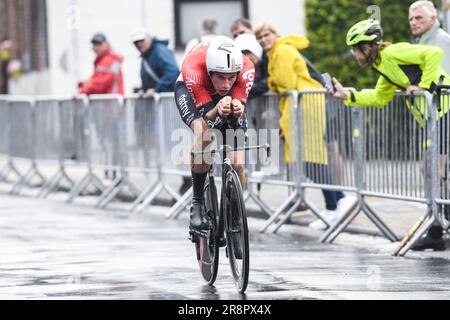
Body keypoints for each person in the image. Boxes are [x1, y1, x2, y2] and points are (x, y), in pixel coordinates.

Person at [331, 19, 450, 250]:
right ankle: (436, 230)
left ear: (367, 47)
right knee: (432, 171)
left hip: (445, 109)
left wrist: (423, 86)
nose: (355, 55)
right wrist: (348, 95)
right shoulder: (383, 66)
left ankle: (437, 227)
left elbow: (433, 53)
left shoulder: (394, 52)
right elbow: (379, 97)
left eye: (355, 50)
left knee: (435, 169)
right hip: (433, 117)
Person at [254, 23, 353, 229]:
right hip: (300, 106)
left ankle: (338, 201)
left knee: (310, 156)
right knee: (306, 157)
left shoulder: (282, 51)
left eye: (266, 35)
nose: (263, 40)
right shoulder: (278, 52)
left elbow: (285, 82)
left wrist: (272, 83)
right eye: (260, 38)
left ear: (275, 34)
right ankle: (333, 204)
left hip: (305, 106)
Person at [174, 36, 255, 242]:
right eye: (220, 77)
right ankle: (198, 202)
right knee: (205, 134)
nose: (226, 84)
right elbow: (208, 117)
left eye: (231, 77)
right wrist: (216, 111)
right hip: (191, 90)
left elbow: (238, 107)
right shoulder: (193, 67)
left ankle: (236, 218)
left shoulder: (246, 69)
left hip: (219, 91)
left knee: (237, 163)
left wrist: (237, 108)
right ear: (211, 71)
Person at [131, 28, 180, 97]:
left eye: (141, 40)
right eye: (135, 42)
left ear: (149, 38)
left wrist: (156, 89)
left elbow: (173, 72)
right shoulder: (146, 57)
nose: (139, 44)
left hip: (167, 100)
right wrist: (143, 90)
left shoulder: (160, 51)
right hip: (159, 102)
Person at [231, 18, 269, 98]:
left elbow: (271, 81)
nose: (239, 37)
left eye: (242, 32)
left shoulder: (269, 51)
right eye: (235, 35)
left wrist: (246, 90)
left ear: (252, 30)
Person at [409, 0, 450, 75]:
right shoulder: (419, 41)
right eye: (411, 19)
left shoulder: (442, 39)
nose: (413, 23)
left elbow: (446, 80)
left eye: (418, 18)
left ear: (433, 19)